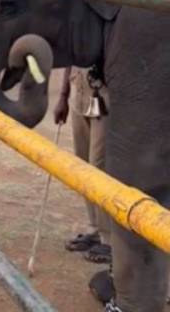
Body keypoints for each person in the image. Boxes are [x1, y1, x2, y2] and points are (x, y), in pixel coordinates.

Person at [54, 67, 111, 264]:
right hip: (79, 93)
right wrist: (63, 95)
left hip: (106, 98)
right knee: (83, 165)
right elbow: (72, 50)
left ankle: (110, 240)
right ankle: (95, 228)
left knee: (99, 167)